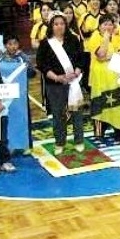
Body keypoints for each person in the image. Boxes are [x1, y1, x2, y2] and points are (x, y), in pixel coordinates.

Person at [36, 13, 85, 155]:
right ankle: (60, 142)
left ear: (66, 25)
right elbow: (42, 64)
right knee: (58, 114)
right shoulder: (45, 43)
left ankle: (79, 140)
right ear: (51, 26)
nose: (59, 26)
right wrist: (57, 77)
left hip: (74, 83)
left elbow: (81, 58)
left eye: (62, 23)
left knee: (77, 112)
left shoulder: (74, 40)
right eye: (56, 24)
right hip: (55, 85)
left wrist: (75, 73)